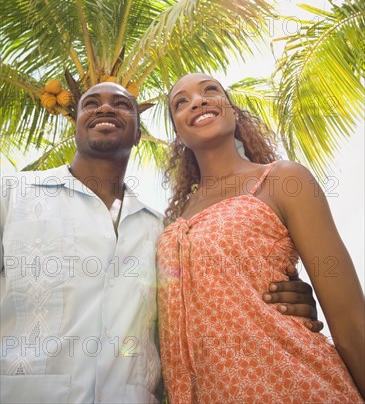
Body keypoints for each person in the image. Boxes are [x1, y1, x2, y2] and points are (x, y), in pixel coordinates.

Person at [1, 82, 324, 404]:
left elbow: (193, 305)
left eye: (122, 104)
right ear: (76, 127)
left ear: (138, 135)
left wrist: (281, 293)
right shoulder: (13, 194)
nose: (105, 108)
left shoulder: (162, 232)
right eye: (90, 103)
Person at [157, 73, 365, 403]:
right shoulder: (172, 221)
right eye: (181, 102)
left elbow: (351, 318)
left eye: (210, 91)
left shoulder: (282, 180)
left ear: (234, 112)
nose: (198, 101)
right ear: (179, 134)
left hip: (298, 387)